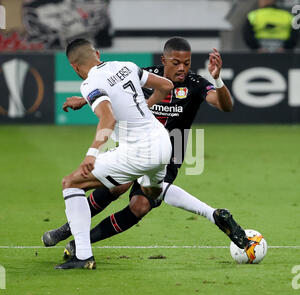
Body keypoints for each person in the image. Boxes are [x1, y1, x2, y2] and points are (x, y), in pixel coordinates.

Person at [44, 37, 256, 262]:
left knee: (141, 204)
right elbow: (114, 87)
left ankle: (80, 242)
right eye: (176, 62)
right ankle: (68, 229)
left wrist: (218, 80)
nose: (182, 68)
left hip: (172, 148)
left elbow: (226, 106)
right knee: (117, 187)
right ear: (164, 60)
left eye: (187, 62)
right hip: (137, 143)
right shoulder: (147, 72)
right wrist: (84, 100)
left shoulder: (196, 83)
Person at [54, 38, 175, 269]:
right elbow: (167, 86)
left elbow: (109, 118)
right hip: (162, 143)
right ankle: (201, 209)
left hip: (140, 151)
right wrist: (145, 107)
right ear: (97, 53)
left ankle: (83, 255)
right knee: (151, 191)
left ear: (74, 66)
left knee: (71, 183)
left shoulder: (90, 83)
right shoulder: (126, 65)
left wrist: (92, 153)